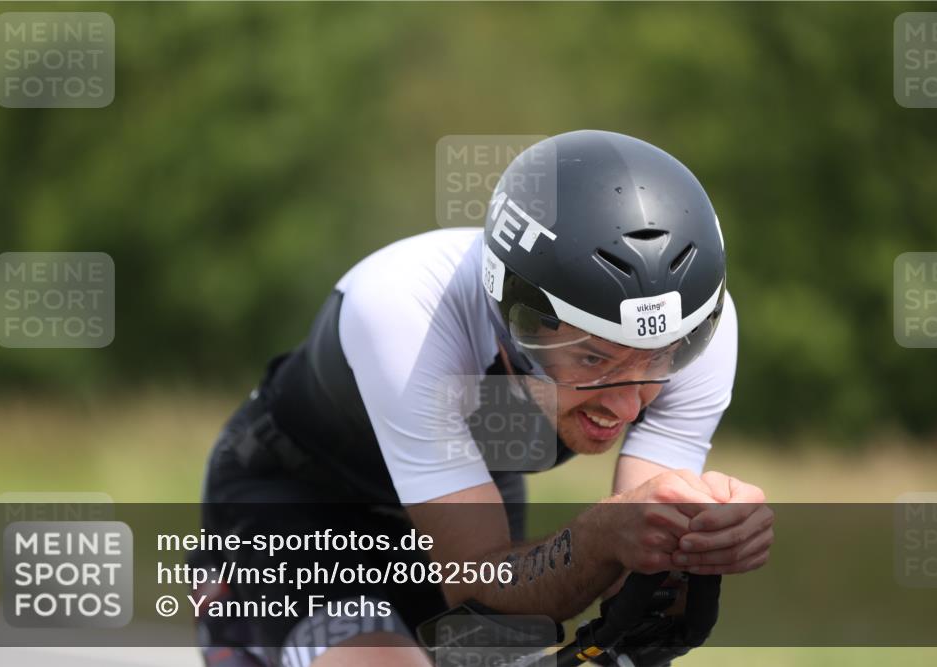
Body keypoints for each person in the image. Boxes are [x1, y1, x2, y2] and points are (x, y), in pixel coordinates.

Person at [195, 130, 774, 667]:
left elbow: (632, 568)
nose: (626, 408)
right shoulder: (404, 310)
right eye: (594, 359)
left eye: (656, 364)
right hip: (304, 504)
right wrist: (606, 535)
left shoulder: (696, 328)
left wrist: (694, 539)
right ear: (511, 316)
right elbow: (476, 585)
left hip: (466, 499)